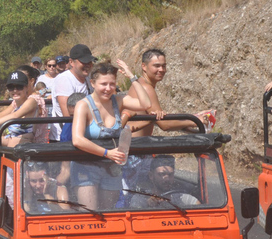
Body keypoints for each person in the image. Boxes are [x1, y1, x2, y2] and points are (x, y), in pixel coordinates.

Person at [71, 60, 152, 210]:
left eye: (112, 84)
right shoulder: (83, 105)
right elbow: (77, 140)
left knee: (108, 214)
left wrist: (131, 76)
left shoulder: (119, 100)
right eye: (103, 84)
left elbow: (146, 104)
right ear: (93, 83)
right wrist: (107, 153)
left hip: (111, 168)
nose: (108, 89)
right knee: (91, 215)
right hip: (87, 167)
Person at [126, 49, 212, 136]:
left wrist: (193, 119)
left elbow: (156, 120)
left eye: (164, 66)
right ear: (144, 66)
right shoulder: (145, 88)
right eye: (157, 66)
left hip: (136, 144)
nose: (161, 69)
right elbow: (164, 124)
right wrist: (195, 121)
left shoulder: (140, 84)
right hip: (135, 146)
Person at [0, 71, 46, 146]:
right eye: (11, 87)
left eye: (19, 87)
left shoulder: (32, 101)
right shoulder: (15, 105)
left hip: (23, 154)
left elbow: (15, 116)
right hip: (9, 152)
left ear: (26, 87)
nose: (15, 90)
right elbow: (1, 117)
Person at [50, 44, 96, 141]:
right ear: (71, 62)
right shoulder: (64, 80)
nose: (88, 65)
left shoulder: (87, 78)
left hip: (83, 134)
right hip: (65, 138)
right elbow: (68, 115)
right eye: (84, 62)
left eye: (89, 62)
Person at [129, 155, 200, 209]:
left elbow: (200, 208)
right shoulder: (141, 198)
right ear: (151, 176)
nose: (167, 179)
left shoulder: (180, 197)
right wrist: (148, 206)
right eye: (161, 174)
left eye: (170, 174)